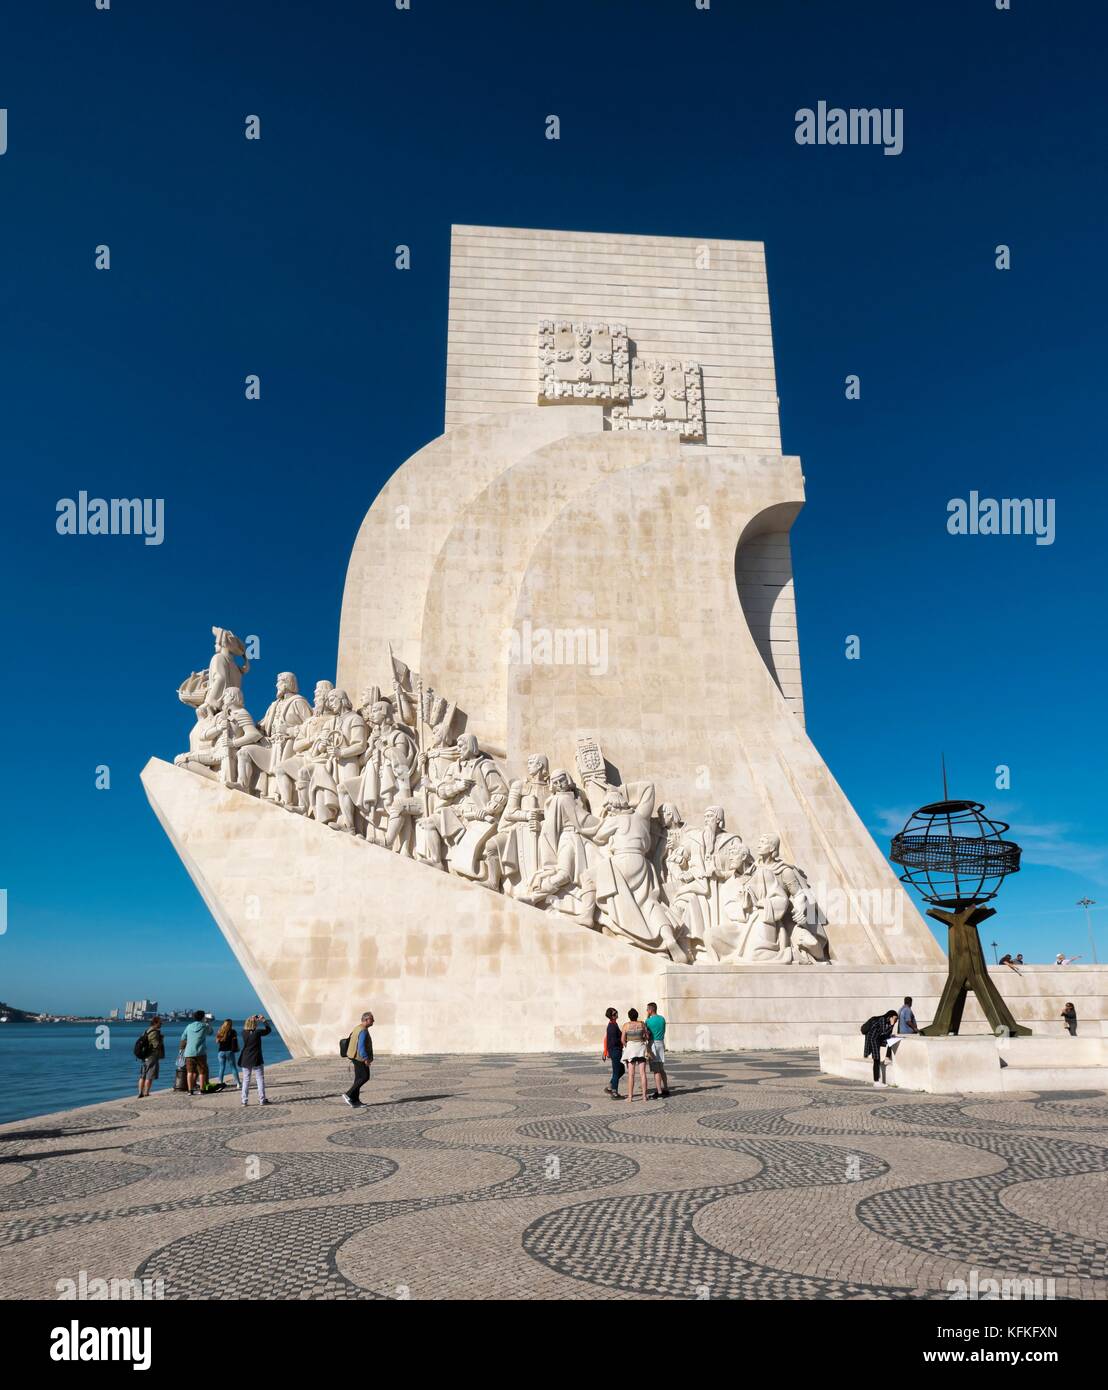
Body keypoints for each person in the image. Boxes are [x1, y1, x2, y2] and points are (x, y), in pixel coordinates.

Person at [343, 1011, 374, 1108]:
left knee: (358, 1079)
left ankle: (355, 1101)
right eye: (372, 1019)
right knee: (365, 1077)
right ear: (366, 1020)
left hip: (354, 1056)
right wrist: (366, 1058)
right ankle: (348, 1094)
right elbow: (361, 1047)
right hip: (360, 1058)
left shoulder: (357, 1028)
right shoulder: (363, 1030)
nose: (373, 1021)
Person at [239, 1014, 272, 1104]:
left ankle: (244, 1101)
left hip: (245, 1059)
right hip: (256, 1058)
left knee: (246, 1080)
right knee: (260, 1079)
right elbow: (268, 1030)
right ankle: (262, 1099)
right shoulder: (257, 1032)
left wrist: (252, 1020)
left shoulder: (243, 1033)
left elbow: (249, 1029)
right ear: (255, 1024)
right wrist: (263, 1020)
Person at [621, 1008, 651, 1103]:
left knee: (631, 1074)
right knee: (643, 1073)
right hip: (641, 1049)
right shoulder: (642, 1024)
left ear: (629, 1016)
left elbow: (622, 1039)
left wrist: (627, 1045)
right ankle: (644, 1097)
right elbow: (647, 1036)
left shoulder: (626, 1025)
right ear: (637, 1015)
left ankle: (630, 1097)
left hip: (631, 1050)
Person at [180, 1010, 213, 1096]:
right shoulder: (204, 1026)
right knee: (202, 1072)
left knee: (189, 1072)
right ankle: (202, 1090)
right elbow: (211, 1032)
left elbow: (183, 1037)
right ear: (203, 1017)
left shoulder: (189, 1026)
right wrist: (208, 1023)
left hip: (189, 1052)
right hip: (200, 1052)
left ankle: (190, 1090)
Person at [862, 1010, 899, 1087]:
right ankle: (876, 1082)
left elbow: (888, 1034)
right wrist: (892, 1025)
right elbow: (884, 1031)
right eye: (895, 1019)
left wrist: (892, 1026)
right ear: (890, 1017)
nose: (895, 1021)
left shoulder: (887, 1022)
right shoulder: (882, 1019)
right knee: (876, 1059)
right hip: (873, 1039)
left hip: (877, 1039)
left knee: (890, 1041)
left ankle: (887, 1057)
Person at [644, 1001, 670, 1098]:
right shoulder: (662, 1019)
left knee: (656, 1070)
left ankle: (659, 1092)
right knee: (661, 1068)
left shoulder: (648, 1021)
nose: (646, 1011)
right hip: (661, 1043)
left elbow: (646, 1033)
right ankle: (666, 1088)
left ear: (650, 1010)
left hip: (653, 1044)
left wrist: (647, 1017)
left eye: (647, 1009)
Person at [136, 1016, 166, 1098]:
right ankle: (146, 1092)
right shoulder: (155, 1032)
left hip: (144, 1055)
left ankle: (140, 1092)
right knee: (150, 1075)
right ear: (155, 1023)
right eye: (160, 1023)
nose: (161, 1025)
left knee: (143, 1075)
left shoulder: (146, 1030)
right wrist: (161, 1039)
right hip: (151, 1055)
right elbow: (156, 1045)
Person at [603, 1007, 623, 1098]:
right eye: (614, 1014)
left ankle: (610, 1086)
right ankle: (614, 1092)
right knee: (616, 1071)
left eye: (616, 1012)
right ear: (611, 1016)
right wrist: (622, 1039)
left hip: (616, 1050)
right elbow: (613, 1041)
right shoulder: (611, 1026)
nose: (616, 1014)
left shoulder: (614, 1024)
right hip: (615, 1051)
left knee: (621, 1069)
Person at [215, 1019, 240, 1087]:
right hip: (230, 1051)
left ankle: (220, 1082)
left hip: (221, 1052)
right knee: (233, 1067)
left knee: (222, 1067)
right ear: (231, 1024)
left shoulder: (220, 1031)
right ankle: (238, 1083)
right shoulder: (233, 1032)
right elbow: (235, 1041)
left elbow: (217, 1042)